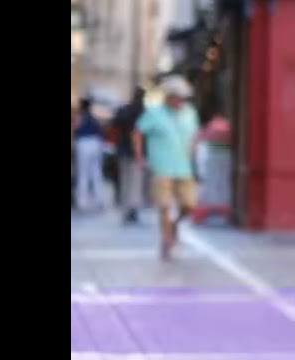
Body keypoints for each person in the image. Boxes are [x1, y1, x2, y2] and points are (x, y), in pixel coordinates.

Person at [134, 76, 200, 260]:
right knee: (164, 206)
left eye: (183, 97)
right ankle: (167, 240)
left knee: (189, 204)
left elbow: (194, 135)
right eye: (177, 97)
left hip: (184, 167)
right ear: (169, 97)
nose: (181, 101)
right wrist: (140, 156)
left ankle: (174, 225)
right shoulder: (154, 113)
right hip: (162, 167)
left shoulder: (190, 113)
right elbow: (138, 132)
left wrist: (194, 153)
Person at [112, 86, 148, 224]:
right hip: (136, 151)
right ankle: (132, 209)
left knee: (126, 181)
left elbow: (115, 124)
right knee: (135, 181)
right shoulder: (143, 112)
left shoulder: (124, 110)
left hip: (124, 150)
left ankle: (127, 208)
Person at [72, 97, 106, 212]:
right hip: (96, 143)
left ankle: (82, 202)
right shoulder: (93, 118)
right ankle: (99, 200)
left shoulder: (80, 117)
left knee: (83, 173)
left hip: (83, 143)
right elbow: (101, 131)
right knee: (96, 173)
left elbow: (75, 129)